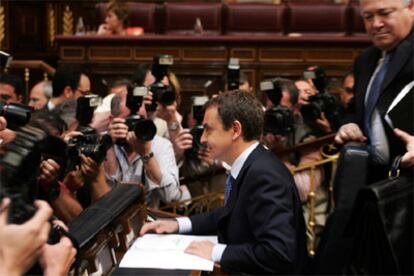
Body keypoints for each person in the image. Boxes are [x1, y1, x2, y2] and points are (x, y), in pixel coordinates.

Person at [140, 90, 307, 274]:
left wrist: (216, 252)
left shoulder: (264, 175)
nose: (202, 138)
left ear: (235, 130)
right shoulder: (251, 164)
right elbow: (229, 215)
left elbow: (278, 252)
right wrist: (177, 224)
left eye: (208, 129)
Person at [335, 0, 414, 180]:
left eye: (385, 13)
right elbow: (354, 110)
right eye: (368, 17)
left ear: (411, 8)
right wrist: (349, 125)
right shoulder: (365, 60)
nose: (376, 24)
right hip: (376, 179)